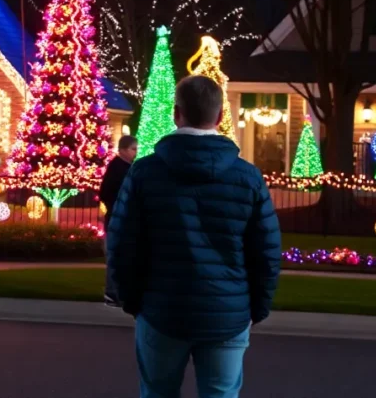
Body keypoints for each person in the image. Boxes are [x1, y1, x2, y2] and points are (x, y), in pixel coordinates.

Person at [107, 76, 281, 398]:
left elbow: (121, 243)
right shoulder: (247, 177)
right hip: (227, 312)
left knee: (158, 392)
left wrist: (131, 300)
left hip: (161, 308)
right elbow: (266, 253)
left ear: (177, 114)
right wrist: (256, 307)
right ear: (218, 117)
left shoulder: (145, 172)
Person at [98, 134, 138, 306]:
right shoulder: (119, 168)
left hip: (120, 216)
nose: (135, 152)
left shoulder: (126, 167)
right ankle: (112, 292)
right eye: (133, 149)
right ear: (123, 150)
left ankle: (118, 291)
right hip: (117, 217)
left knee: (122, 255)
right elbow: (106, 193)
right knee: (116, 254)